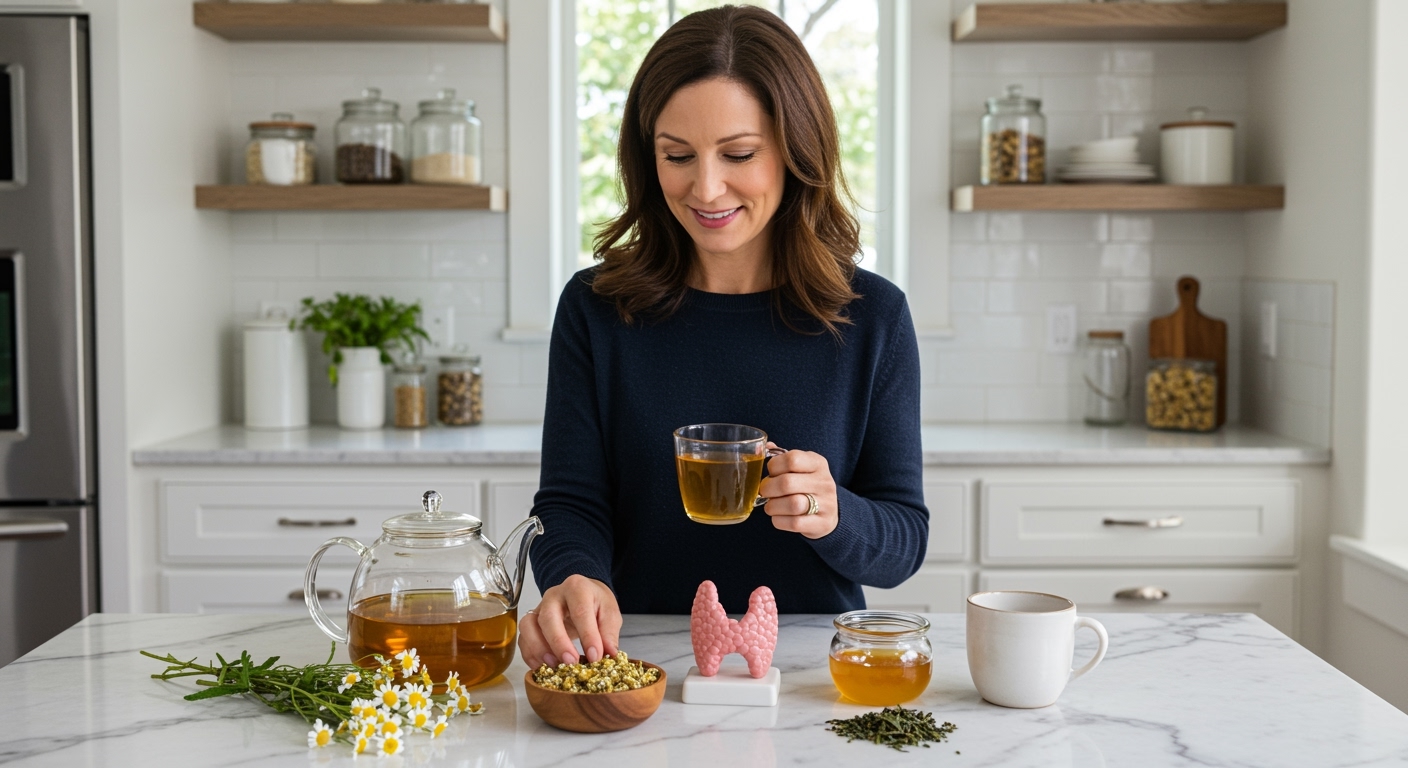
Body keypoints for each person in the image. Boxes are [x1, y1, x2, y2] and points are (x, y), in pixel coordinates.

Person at [519, 4, 927, 670]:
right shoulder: (595, 309)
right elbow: (570, 503)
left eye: (738, 153)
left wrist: (835, 514)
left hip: (806, 672)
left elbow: (903, 543)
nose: (705, 188)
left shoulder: (873, 317)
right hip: (637, 661)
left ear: (797, 151)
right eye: (677, 155)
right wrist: (572, 578)